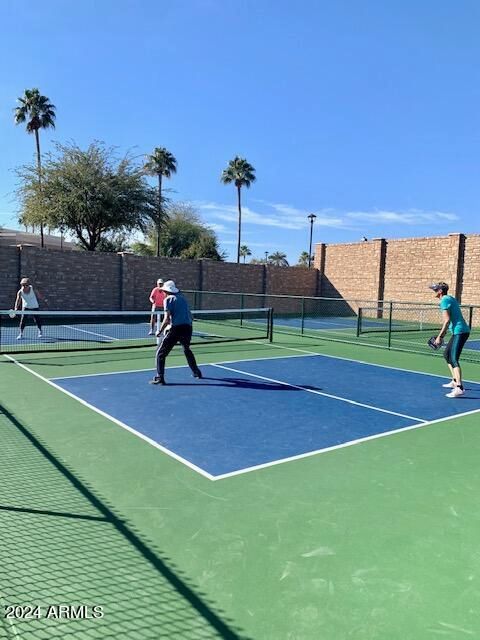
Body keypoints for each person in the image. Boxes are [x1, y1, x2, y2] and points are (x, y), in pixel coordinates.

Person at [150, 280, 202, 385]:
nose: (163, 292)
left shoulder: (168, 300)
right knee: (186, 349)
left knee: (160, 353)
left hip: (176, 329)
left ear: (166, 291)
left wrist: (159, 331)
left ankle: (160, 377)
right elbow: (191, 316)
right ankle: (196, 372)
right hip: (188, 328)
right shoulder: (183, 298)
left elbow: (167, 319)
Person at [430, 282, 470, 398]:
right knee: (447, 354)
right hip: (458, 331)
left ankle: (459, 387)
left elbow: (447, 321)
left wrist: (440, 337)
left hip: (460, 331)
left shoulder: (444, 300)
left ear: (440, 291)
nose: (434, 291)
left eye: (435, 290)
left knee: (453, 358)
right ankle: (454, 380)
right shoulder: (449, 298)